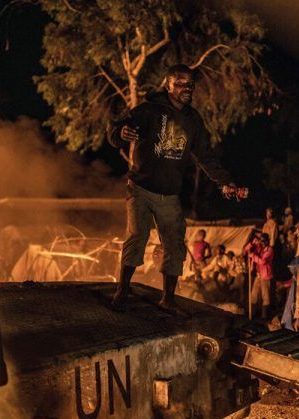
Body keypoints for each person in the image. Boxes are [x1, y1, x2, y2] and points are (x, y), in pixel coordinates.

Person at [107, 64, 242, 311]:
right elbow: (117, 128)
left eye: (190, 84)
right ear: (168, 85)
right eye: (180, 83)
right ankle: (122, 290)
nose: (187, 88)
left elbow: (205, 156)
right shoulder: (148, 110)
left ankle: (167, 298)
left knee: (175, 244)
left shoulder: (192, 120)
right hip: (140, 187)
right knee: (138, 235)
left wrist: (225, 182)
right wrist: (120, 134)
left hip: (169, 194)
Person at [245, 232, 275, 320]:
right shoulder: (259, 248)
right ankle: (252, 313)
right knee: (254, 295)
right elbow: (247, 249)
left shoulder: (270, 250)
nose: (262, 242)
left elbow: (262, 261)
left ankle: (264, 316)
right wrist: (252, 243)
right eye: (261, 241)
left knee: (265, 296)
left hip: (266, 276)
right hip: (258, 275)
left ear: (267, 241)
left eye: (264, 241)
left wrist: (253, 256)